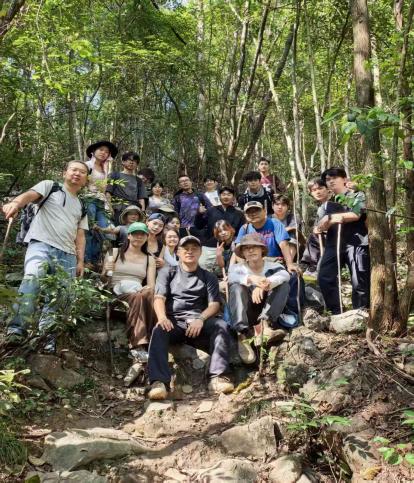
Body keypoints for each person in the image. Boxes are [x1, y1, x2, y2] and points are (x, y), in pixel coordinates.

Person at [2, 161, 89, 351]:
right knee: (32, 280)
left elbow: (80, 235)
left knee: (62, 295)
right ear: (65, 173)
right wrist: (16, 203)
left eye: (82, 172)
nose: (77, 173)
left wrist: (80, 261)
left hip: (68, 253)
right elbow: (30, 195)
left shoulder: (82, 205)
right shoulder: (50, 186)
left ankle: (47, 338)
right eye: (74, 169)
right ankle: (16, 330)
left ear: (86, 179)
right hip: (41, 244)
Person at [147, 235, 234, 400]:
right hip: (174, 322)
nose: (190, 252)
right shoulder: (167, 272)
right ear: (178, 252)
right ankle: (159, 382)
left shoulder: (208, 276)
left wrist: (200, 319)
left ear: (200, 252)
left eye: (194, 249)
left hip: (198, 322)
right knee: (158, 330)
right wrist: (162, 317)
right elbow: (159, 298)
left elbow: (214, 305)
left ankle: (218, 376)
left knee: (221, 326)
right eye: (185, 249)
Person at [228, 234, 290, 364]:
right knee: (236, 287)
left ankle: (265, 325)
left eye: (254, 247)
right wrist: (250, 279)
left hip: (266, 308)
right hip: (247, 311)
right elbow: (232, 278)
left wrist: (264, 284)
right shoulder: (237, 268)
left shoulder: (273, 266)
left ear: (262, 249)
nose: (251, 250)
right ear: (243, 253)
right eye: (246, 248)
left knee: (283, 285)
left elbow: (285, 275)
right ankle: (242, 334)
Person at [316, 167, 370, 315]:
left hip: (356, 242)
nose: (331, 181)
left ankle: (360, 314)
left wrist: (332, 217)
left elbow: (357, 214)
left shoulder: (357, 194)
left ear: (345, 179)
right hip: (334, 243)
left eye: (334, 177)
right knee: (324, 276)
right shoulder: (328, 203)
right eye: (328, 179)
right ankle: (336, 312)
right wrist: (321, 225)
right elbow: (321, 225)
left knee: (359, 280)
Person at [235, 201, 302, 315]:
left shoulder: (274, 223)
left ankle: (292, 311)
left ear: (264, 211)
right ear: (245, 216)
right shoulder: (244, 229)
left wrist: (290, 264)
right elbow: (238, 250)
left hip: (274, 263)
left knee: (294, 276)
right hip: (253, 265)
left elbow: (283, 244)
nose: (253, 214)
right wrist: (244, 269)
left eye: (256, 210)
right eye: (249, 212)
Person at [102, 222, 156, 359]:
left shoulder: (149, 258)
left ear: (146, 237)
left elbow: (151, 285)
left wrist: (146, 288)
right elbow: (104, 281)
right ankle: (137, 345)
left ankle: (153, 341)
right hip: (116, 294)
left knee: (148, 293)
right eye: (135, 234)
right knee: (138, 297)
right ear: (129, 236)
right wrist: (106, 271)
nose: (139, 237)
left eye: (142, 234)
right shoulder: (114, 252)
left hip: (137, 291)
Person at [84, 140, 118, 268]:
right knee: (89, 229)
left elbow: (104, 190)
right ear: (93, 151)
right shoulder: (87, 165)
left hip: (101, 202)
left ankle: (96, 260)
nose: (103, 153)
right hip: (88, 199)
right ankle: (87, 260)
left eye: (106, 151)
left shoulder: (105, 169)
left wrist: (109, 205)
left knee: (103, 230)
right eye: (101, 150)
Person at [301, 178, 331, 277]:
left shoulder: (333, 203)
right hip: (321, 240)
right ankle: (311, 266)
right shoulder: (321, 206)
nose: (317, 192)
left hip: (333, 240)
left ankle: (313, 266)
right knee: (312, 237)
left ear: (327, 188)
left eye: (320, 188)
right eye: (314, 190)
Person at [105, 151, 146, 224]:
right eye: (129, 160)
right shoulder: (114, 175)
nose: (132, 162)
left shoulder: (139, 180)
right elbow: (108, 192)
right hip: (117, 209)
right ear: (123, 162)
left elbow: (141, 198)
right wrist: (109, 207)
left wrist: (142, 212)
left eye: (135, 161)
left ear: (137, 164)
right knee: (118, 229)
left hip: (133, 210)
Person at [272, 194, 303, 260]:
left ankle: (288, 261)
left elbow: (293, 229)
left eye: (283, 205)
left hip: (288, 245)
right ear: (272, 206)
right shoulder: (268, 219)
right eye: (277, 204)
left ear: (287, 207)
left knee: (292, 233)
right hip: (273, 244)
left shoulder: (293, 218)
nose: (280, 207)